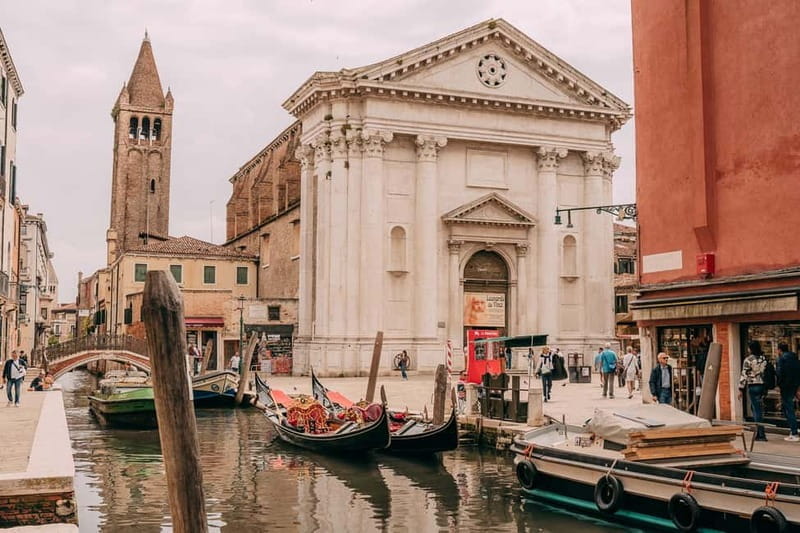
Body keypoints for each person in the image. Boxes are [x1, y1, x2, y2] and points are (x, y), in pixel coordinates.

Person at [738, 340, 769, 441]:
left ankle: (760, 434)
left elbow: (744, 374)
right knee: (757, 408)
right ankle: (760, 432)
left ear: (751, 348)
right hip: (762, 385)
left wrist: (740, 389)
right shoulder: (763, 358)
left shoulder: (748, 360)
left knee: (756, 410)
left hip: (753, 385)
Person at [776, 341, 800, 442]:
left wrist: (779, 384)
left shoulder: (781, 359)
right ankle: (794, 429)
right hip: (794, 385)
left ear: (779, 350)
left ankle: (794, 432)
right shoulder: (795, 358)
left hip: (786, 387)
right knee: (790, 408)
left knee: (788, 408)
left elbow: (779, 373)